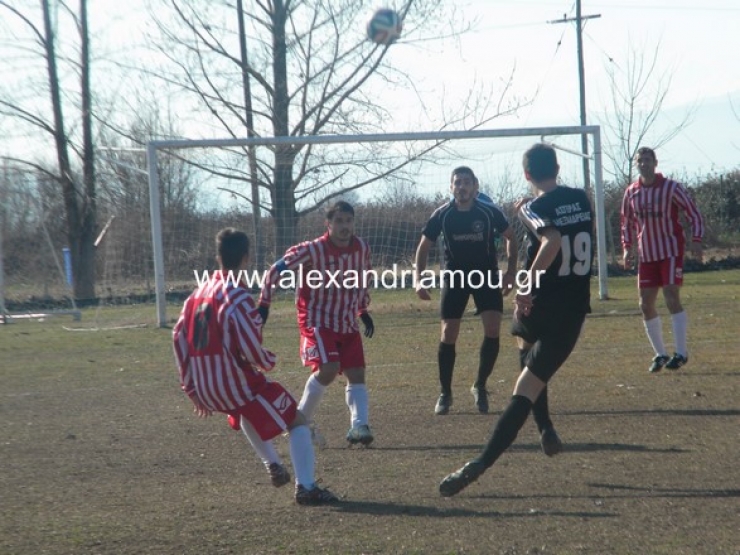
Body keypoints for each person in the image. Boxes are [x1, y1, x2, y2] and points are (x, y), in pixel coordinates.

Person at [438, 143, 593, 497]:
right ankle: (545, 428)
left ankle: (483, 461)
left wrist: (526, 282)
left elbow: (551, 239)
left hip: (538, 304)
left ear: (526, 175)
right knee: (528, 370)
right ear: (557, 166)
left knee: (524, 380)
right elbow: (567, 227)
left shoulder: (533, 208)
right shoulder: (582, 199)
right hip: (571, 312)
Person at [173, 228, 338, 506]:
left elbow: (178, 337)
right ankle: (307, 488)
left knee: (245, 409)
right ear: (246, 258)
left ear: (218, 257)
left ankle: (273, 464)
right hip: (234, 382)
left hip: (205, 388)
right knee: (297, 421)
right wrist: (266, 361)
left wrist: (190, 387)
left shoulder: (195, 296)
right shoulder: (236, 296)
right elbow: (250, 345)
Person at [258, 201, 375, 447]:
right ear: (328, 224)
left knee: (357, 373)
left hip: (346, 320)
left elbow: (364, 277)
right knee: (329, 368)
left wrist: (362, 309)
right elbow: (275, 270)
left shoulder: (362, 247)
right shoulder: (312, 250)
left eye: (348, 221)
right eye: (339, 221)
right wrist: (264, 304)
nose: (345, 226)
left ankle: (359, 426)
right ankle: (299, 421)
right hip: (317, 320)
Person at [415, 166, 518, 415]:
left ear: (475, 186)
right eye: (457, 182)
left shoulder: (489, 211)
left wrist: (511, 272)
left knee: (493, 329)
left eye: (466, 182)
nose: (462, 187)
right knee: (449, 332)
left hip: (486, 275)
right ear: (451, 187)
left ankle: (480, 386)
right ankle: (445, 393)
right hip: (455, 276)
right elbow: (423, 246)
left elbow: (511, 237)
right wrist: (419, 279)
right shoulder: (442, 214)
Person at [620, 147, 704, 373]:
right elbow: (626, 223)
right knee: (645, 304)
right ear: (636, 164)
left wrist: (696, 239)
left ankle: (681, 352)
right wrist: (627, 248)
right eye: (640, 161)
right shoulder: (631, 192)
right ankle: (660, 354)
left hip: (670, 251)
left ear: (655, 163)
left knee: (670, 294)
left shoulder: (671, 188)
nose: (643, 164)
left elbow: (693, 213)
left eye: (647, 160)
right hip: (647, 255)